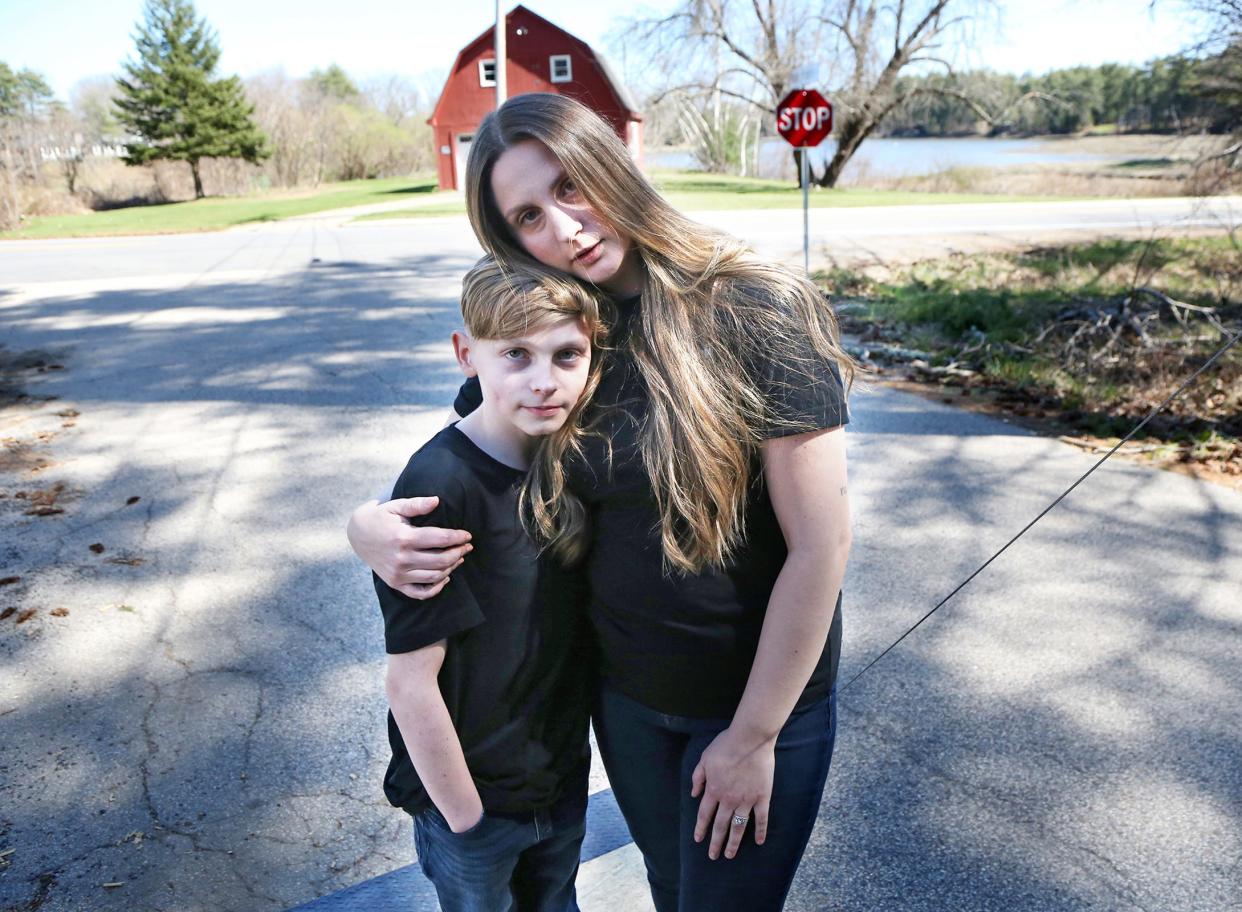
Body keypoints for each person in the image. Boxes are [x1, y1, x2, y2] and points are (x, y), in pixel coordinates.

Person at [349, 93, 856, 912]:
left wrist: (754, 735)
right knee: (666, 891)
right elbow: (474, 455)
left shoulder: (757, 307)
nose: (564, 227)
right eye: (528, 215)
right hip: (626, 707)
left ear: (611, 166)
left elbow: (821, 546)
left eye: (570, 186)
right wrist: (368, 524)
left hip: (754, 707)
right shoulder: (565, 336)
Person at [374, 255, 606, 912]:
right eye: (516, 355)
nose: (544, 381)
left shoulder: (566, 461)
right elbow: (409, 681)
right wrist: (466, 818)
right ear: (466, 354)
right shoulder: (440, 486)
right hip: (476, 807)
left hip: (557, 784)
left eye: (567, 355)